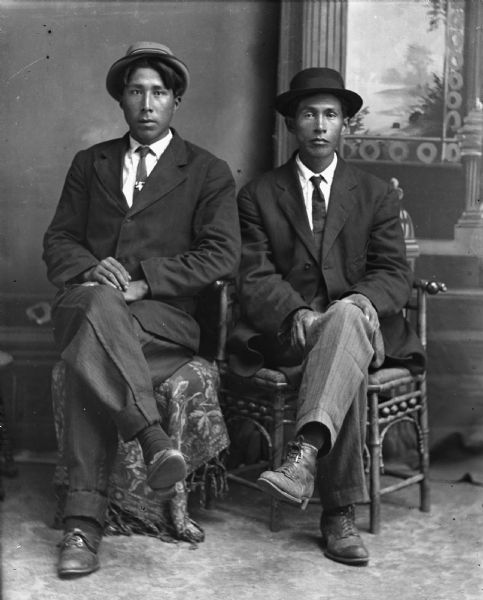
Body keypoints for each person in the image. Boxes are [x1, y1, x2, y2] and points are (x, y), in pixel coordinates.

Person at [43, 41, 240, 578]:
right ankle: (154, 440)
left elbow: (222, 254)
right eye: (136, 92)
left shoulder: (207, 171)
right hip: (88, 303)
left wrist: (146, 282)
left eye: (158, 92)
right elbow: (59, 240)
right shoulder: (91, 163)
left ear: (176, 100)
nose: (147, 103)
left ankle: (82, 526)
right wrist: (90, 268)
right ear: (121, 101)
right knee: (95, 308)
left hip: (162, 322)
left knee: (85, 365)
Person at [228, 67, 425, 567]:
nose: (320, 124)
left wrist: (359, 302)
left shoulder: (376, 193)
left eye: (330, 115)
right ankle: (338, 515)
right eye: (309, 114)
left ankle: (302, 457)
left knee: (346, 323)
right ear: (292, 124)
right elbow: (253, 273)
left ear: (344, 125)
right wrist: (294, 308)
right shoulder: (257, 195)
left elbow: (393, 273)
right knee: (345, 359)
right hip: (289, 331)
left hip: (362, 321)